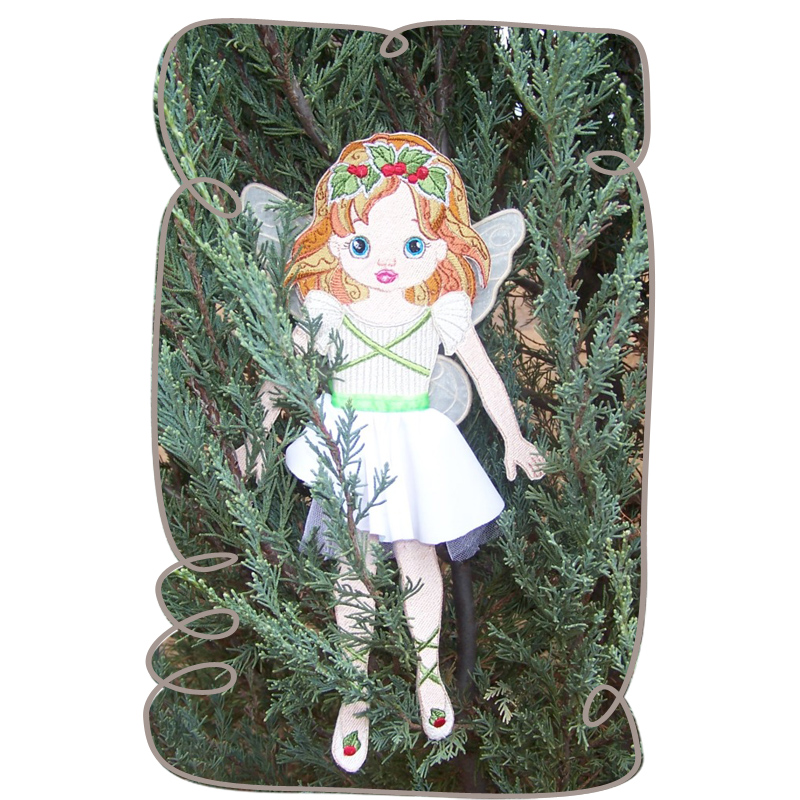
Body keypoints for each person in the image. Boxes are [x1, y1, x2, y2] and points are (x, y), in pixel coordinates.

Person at [259, 133, 544, 772]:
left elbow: (485, 373)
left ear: (444, 247)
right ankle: (353, 691)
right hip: (350, 442)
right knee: (354, 565)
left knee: (418, 556)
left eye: (413, 245)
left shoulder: (441, 310)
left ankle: (428, 671)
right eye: (362, 245)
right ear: (333, 243)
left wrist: (513, 435)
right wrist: (262, 422)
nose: (387, 262)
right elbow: (283, 370)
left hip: (415, 441)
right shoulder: (330, 309)